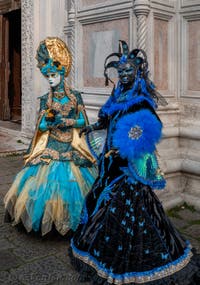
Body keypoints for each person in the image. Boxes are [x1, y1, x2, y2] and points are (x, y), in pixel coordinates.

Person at [69, 41, 199, 284]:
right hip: (110, 161)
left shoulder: (141, 98)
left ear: (137, 71)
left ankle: (132, 259)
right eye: (121, 71)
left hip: (127, 164)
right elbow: (108, 117)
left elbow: (150, 128)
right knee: (100, 198)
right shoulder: (117, 94)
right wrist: (95, 126)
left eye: (129, 70)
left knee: (127, 206)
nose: (125, 74)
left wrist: (126, 149)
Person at [4, 37, 97, 236]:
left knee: (73, 184)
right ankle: (49, 222)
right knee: (44, 184)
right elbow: (42, 126)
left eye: (54, 75)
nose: (51, 79)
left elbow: (83, 122)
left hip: (71, 146)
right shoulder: (46, 99)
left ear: (62, 73)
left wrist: (67, 122)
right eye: (48, 77)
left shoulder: (75, 96)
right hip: (51, 145)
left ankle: (72, 220)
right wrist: (50, 121)